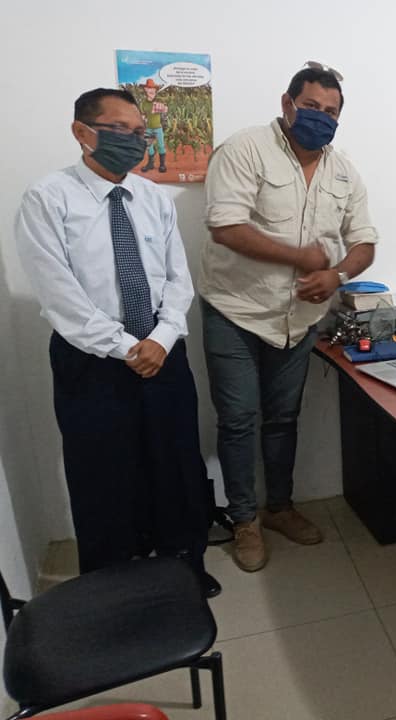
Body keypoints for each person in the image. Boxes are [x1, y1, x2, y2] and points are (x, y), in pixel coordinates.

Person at [14, 88, 218, 597]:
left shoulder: (152, 197)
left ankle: (183, 567)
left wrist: (162, 337)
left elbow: (178, 278)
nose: (135, 140)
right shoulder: (48, 198)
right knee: (102, 473)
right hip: (91, 361)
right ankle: (111, 589)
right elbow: (59, 294)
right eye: (119, 129)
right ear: (82, 132)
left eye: (139, 131)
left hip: (162, 351)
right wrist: (126, 347)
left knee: (176, 462)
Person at [200, 64, 378, 572]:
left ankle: (278, 508)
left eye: (331, 112)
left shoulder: (343, 171)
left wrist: (337, 275)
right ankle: (244, 520)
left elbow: (365, 241)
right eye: (312, 107)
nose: (321, 118)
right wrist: (300, 257)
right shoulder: (245, 149)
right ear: (287, 103)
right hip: (235, 311)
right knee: (238, 420)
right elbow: (224, 226)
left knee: (283, 418)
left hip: (299, 320)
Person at [140, 78, 168, 173]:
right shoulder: (144, 103)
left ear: (155, 90)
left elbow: (165, 110)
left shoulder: (159, 101)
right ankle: (150, 164)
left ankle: (162, 165)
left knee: (161, 145)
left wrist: (162, 107)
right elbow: (143, 114)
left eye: (153, 88)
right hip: (148, 128)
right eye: (149, 88)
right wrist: (142, 118)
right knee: (149, 147)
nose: (151, 90)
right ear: (145, 90)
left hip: (158, 128)